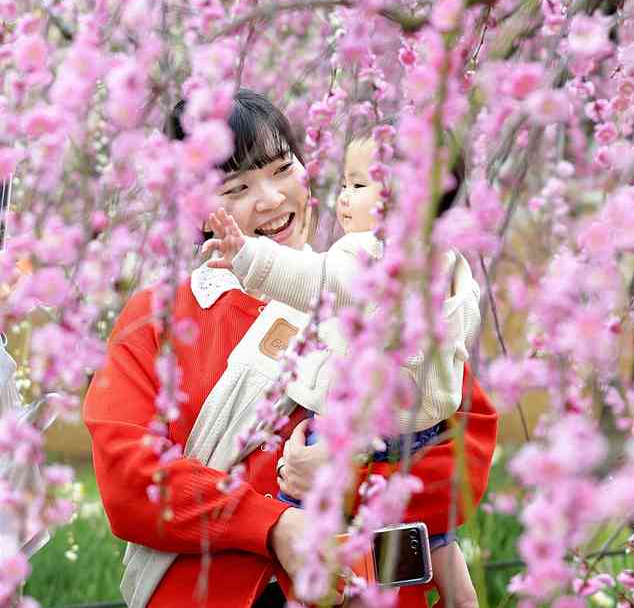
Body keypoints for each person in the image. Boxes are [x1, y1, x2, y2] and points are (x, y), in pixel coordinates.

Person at [83, 90, 497, 608]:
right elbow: (132, 483)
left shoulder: (379, 287)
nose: (274, 198)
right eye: (238, 187)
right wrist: (275, 526)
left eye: (283, 169)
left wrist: (352, 480)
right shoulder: (158, 319)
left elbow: (461, 449)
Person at [201, 124, 481, 607]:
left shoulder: (367, 256)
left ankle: (335, 589)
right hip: (422, 433)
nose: (342, 198)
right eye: (345, 184)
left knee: (304, 506)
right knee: (436, 530)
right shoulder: (450, 263)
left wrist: (247, 258)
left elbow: (317, 277)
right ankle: (459, 591)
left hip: (354, 431)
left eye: (357, 184)